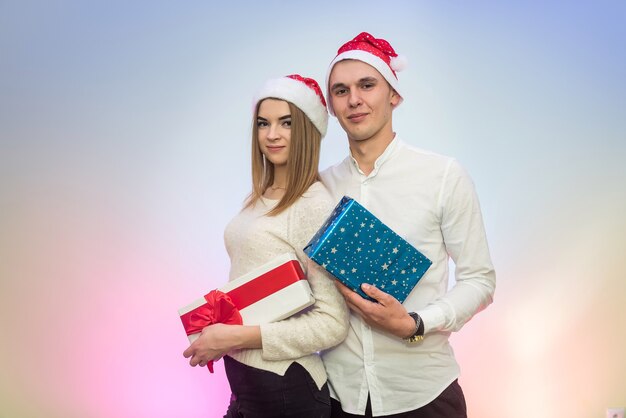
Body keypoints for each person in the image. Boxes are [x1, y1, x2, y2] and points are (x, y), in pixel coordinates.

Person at [319, 32, 496, 417]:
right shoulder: (319, 188)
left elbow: (480, 281)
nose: (354, 100)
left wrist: (415, 323)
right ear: (331, 106)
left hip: (423, 395)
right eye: (341, 90)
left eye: (368, 85)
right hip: (337, 397)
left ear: (394, 94)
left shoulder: (443, 175)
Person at [183, 74, 350, 417]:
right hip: (247, 386)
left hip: (287, 391)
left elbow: (332, 323)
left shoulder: (314, 205)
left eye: (286, 123)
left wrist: (233, 337)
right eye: (263, 123)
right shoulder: (259, 197)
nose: (271, 135)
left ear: (306, 131)